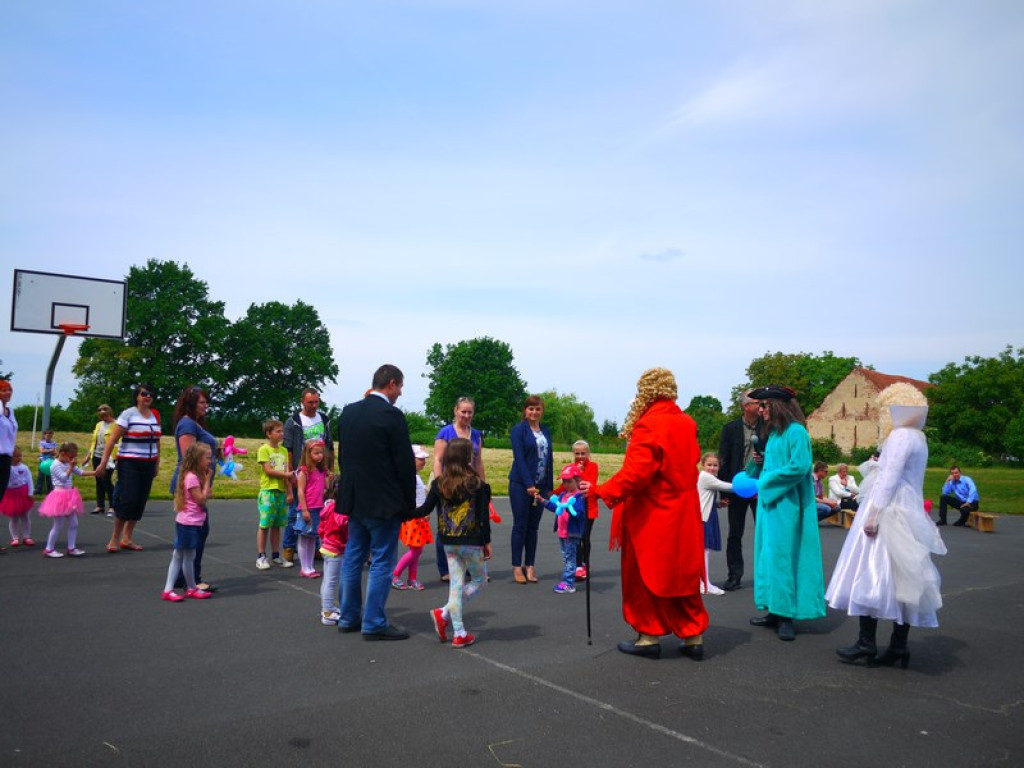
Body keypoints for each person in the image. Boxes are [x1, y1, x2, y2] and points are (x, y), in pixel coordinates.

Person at [588, 368, 708, 661]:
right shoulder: (686, 423)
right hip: (684, 510)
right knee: (682, 574)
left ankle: (649, 635)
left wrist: (601, 491)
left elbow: (637, 473)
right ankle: (693, 635)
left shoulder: (648, 425)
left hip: (653, 513)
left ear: (645, 392)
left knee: (644, 576)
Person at [827, 383, 946, 669]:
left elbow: (888, 478)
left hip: (889, 507)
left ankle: (867, 643)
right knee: (904, 578)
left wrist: (873, 515)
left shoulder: (901, 436)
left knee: (871, 572)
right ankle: (898, 646)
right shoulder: (919, 436)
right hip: (909, 508)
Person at [337, 364, 417, 640]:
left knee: (353, 556)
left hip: (355, 497)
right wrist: (409, 503)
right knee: (382, 559)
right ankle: (373, 622)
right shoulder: (392, 416)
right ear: (392, 383)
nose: (400, 393)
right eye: (400, 387)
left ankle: (348, 616)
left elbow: (343, 456)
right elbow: (405, 464)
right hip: (383, 500)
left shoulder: (348, 412)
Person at [747, 386, 826, 642]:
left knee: (782, 557)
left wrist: (767, 481)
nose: (760, 410)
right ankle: (773, 608)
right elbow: (777, 464)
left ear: (777, 406)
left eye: (764, 405)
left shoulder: (796, 432)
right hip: (771, 506)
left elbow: (800, 466)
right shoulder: (775, 434)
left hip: (787, 506)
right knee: (768, 556)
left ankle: (785, 616)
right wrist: (760, 466)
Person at [419, 438, 492, 648]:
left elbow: (424, 510)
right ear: (468, 457)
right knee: (479, 580)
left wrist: (402, 511)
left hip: (448, 541)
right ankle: (444, 614)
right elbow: (482, 517)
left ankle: (459, 631)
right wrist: (487, 541)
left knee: (455, 586)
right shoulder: (477, 484)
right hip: (471, 541)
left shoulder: (439, 483)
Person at [97, 385, 161, 553]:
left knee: (140, 500)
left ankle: (127, 538)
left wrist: (157, 463)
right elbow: (112, 439)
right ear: (137, 397)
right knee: (128, 499)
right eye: (144, 394)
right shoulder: (128, 414)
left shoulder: (154, 415)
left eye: (150, 394)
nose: (148, 396)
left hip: (148, 463)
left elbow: (157, 441)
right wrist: (103, 462)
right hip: (129, 463)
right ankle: (114, 539)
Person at [431, 397, 485, 581]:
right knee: (446, 526)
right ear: (456, 411)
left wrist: (483, 486)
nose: (467, 415)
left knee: (469, 525)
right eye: (463, 411)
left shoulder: (476, 434)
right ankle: (445, 569)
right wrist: (440, 484)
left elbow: (478, 462)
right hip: (449, 483)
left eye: (470, 412)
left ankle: (468, 567)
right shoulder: (446, 432)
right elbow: (438, 460)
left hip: (469, 485)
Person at [170, 387, 219, 591]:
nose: (205, 405)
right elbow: (189, 457)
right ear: (190, 403)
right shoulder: (188, 424)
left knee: (197, 530)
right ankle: (192, 578)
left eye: (206, 402)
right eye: (201, 402)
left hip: (197, 484)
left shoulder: (195, 424)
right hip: (191, 486)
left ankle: (186, 575)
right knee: (195, 531)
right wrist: (202, 484)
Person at [717, 390, 764, 591]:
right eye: (757, 403)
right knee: (735, 533)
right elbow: (723, 461)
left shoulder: (768, 428)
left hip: (761, 486)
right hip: (737, 487)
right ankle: (734, 575)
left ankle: (765, 575)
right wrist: (724, 493)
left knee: (764, 532)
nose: (761, 406)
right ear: (746, 407)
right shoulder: (730, 429)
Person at [282, 388, 335, 563]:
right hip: (303, 469)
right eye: (310, 402)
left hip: (319, 471)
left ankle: (315, 545)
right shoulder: (294, 422)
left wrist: (330, 469)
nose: (313, 406)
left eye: (316, 402)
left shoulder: (324, 420)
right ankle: (289, 547)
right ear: (302, 402)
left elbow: (329, 446)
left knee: (318, 510)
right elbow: (288, 449)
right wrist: (291, 474)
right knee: (296, 510)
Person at [508, 395, 553, 585]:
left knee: (533, 528)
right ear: (525, 411)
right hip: (521, 484)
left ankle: (530, 565)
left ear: (542, 411)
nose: (534, 412)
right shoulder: (519, 431)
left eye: (538, 409)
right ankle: (517, 567)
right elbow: (519, 458)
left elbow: (549, 459)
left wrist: (548, 487)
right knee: (521, 525)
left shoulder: (546, 431)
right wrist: (528, 485)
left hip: (541, 486)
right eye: (530, 409)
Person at [161, 443, 214, 602]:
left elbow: (207, 494)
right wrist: (208, 479)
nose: (210, 461)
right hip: (188, 523)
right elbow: (201, 499)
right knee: (181, 555)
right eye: (207, 457)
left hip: (193, 522)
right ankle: (171, 589)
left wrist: (205, 481)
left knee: (187, 555)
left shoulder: (195, 476)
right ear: (198, 459)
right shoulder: (192, 478)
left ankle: (189, 587)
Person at [38, 442, 96, 558]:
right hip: (59, 496)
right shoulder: (55, 465)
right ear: (63, 453)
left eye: (74, 457)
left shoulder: (68, 463)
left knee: (74, 523)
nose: (73, 459)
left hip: (69, 496)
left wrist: (95, 473)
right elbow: (64, 478)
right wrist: (71, 466)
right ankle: (49, 549)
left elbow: (80, 472)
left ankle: (71, 548)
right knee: (58, 524)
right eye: (71, 456)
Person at [255, 418, 295, 570]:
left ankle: (276, 555)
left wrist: (289, 492)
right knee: (265, 525)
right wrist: (287, 475)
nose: (281, 434)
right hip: (268, 491)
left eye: (282, 431)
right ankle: (261, 556)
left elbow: (287, 472)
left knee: (277, 525)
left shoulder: (284, 450)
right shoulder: (264, 450)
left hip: (281, 491)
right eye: (278, 431)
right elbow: (268, 470)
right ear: (269, 434)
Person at [392, 445, 432, 590]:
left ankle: (412, 578)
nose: (423, 461)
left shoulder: (415, 476)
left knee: (417, 550)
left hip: (419, 517)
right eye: (420, 459)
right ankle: (395, 574)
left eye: (424, 459)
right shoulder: (408, 477)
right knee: (416, 550)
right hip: (413, 518)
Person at [545, 464, 587, 594]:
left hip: (571, 533)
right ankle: (567, 581)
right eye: (564, 481)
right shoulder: (563, 494)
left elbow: (579, 514)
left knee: (570, 558)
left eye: (569, 481)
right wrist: (543, 501)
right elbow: (555, 507)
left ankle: (569, 583)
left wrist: (570, 509)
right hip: (562, 532)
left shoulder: (578, 497)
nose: (566, 484)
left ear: (577, 481)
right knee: (566, 557)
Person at [564, 440, 600, 581]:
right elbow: (566, 484)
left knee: (585, 537)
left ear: (588, 453)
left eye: (583, 453)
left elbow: (588, 484)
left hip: (589, 507)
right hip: (575, 507)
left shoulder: (593, 466)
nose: (580, 456)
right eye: (577, 453)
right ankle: (578, 566)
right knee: (576, 537)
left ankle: (586, 563)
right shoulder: (570, 467)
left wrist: (579, 472)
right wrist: (551, 494)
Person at [295, 438, 330, 578]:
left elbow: (326, 488)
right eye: (316, 453)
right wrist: (304, 509)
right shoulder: (304, 471)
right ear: (308, 454)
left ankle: (309, 566)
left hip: (318, 508)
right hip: (307, 508)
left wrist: (328, 479)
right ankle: (304, 567)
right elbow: (300, 491)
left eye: (321, 453)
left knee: (312, 539)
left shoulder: (321, 470)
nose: (320, 456)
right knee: (304, 538)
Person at [697, 452, 731, 595]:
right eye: (709, 465)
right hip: (703, 518)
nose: (712, 467)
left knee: (704, 550)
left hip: (708, 515)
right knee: (704, 551)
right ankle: (705, 584)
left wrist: (718, 504)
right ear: (703, 465)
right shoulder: (706, 477)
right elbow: (728, 487)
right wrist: (755, 486)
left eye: (715, 465)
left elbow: (703, 498)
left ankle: (702, 582)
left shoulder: (709, 478)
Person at [317, 496, 348, 625]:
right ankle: (327, 612)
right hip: (335, 550)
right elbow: (344, 529)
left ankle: (327, 607)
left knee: (327, 581)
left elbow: (321, 528)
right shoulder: (341, 512)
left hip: (326, 547)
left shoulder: (328, 507)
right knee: (331, 581)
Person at [85, 405, 117, 515]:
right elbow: (94, 441)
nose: (104, 418)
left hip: (109, 456)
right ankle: (100, 505)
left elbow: (118, 442)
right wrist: (89, 455)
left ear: (110, 413)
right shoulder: (99, 425)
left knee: (107, 480)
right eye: (101, 415)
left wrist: (114, 457)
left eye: (105, 415)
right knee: (98, 480)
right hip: (97, 455)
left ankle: (113, 506)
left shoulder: (116, 425)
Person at [2, 448, 36, 547]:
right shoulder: (6, 468)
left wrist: (30, 492)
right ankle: (15, 537)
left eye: (20, 456)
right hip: (11, 495)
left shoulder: (24, 467)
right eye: (16, 456)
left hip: (23, 493)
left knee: (25, 517)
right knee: (13, 518)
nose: (19, 458)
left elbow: (29, 480)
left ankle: (27, 536)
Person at [0, 380, 16, 509]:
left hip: (7, 456)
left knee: (1, 490)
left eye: (9, 389)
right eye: (4, 390)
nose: (8, 392)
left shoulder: (10, 411)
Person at [36, 428, 57, 495]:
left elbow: (55, 452)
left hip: (50, 462)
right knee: (41, 476)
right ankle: (39, 490)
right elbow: (42, 451)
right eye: (47, 435)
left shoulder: (54, 443)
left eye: (50, 435)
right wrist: (50, 450)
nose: (49, 437)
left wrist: (51, 452)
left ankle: (50, 490)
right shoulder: (42, 442)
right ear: (44, 435)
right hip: (43, 461)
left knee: (49, 477)